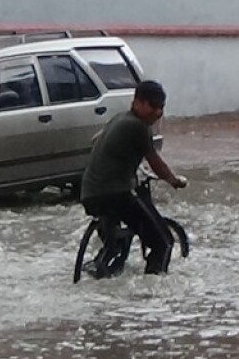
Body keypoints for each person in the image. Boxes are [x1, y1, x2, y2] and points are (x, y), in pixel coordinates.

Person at [79, 80, 187, 276]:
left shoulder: (119, 119)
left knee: (120, 237)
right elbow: (155, 162)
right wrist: (174, 181)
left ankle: (104, 264)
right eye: (153, 106)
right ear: (137, 102)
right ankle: (151, 293)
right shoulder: (138, 126)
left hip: (90, 194)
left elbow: (97, 139)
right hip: (114, 194)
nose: (158, 112)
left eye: (161, 107)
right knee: (163, 242)